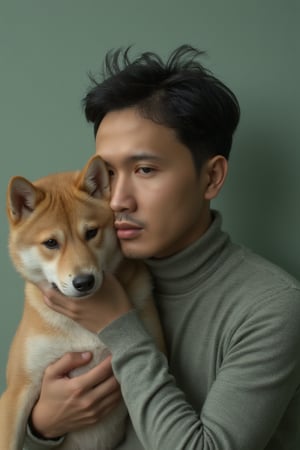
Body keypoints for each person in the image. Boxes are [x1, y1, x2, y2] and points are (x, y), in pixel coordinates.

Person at [24, 45, 300, 450]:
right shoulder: (85, 276)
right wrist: (43, 426)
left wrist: (119, 325)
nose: (117, 199)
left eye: (145, 170)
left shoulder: (271, 306)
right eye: (109, 174)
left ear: (211, 178)